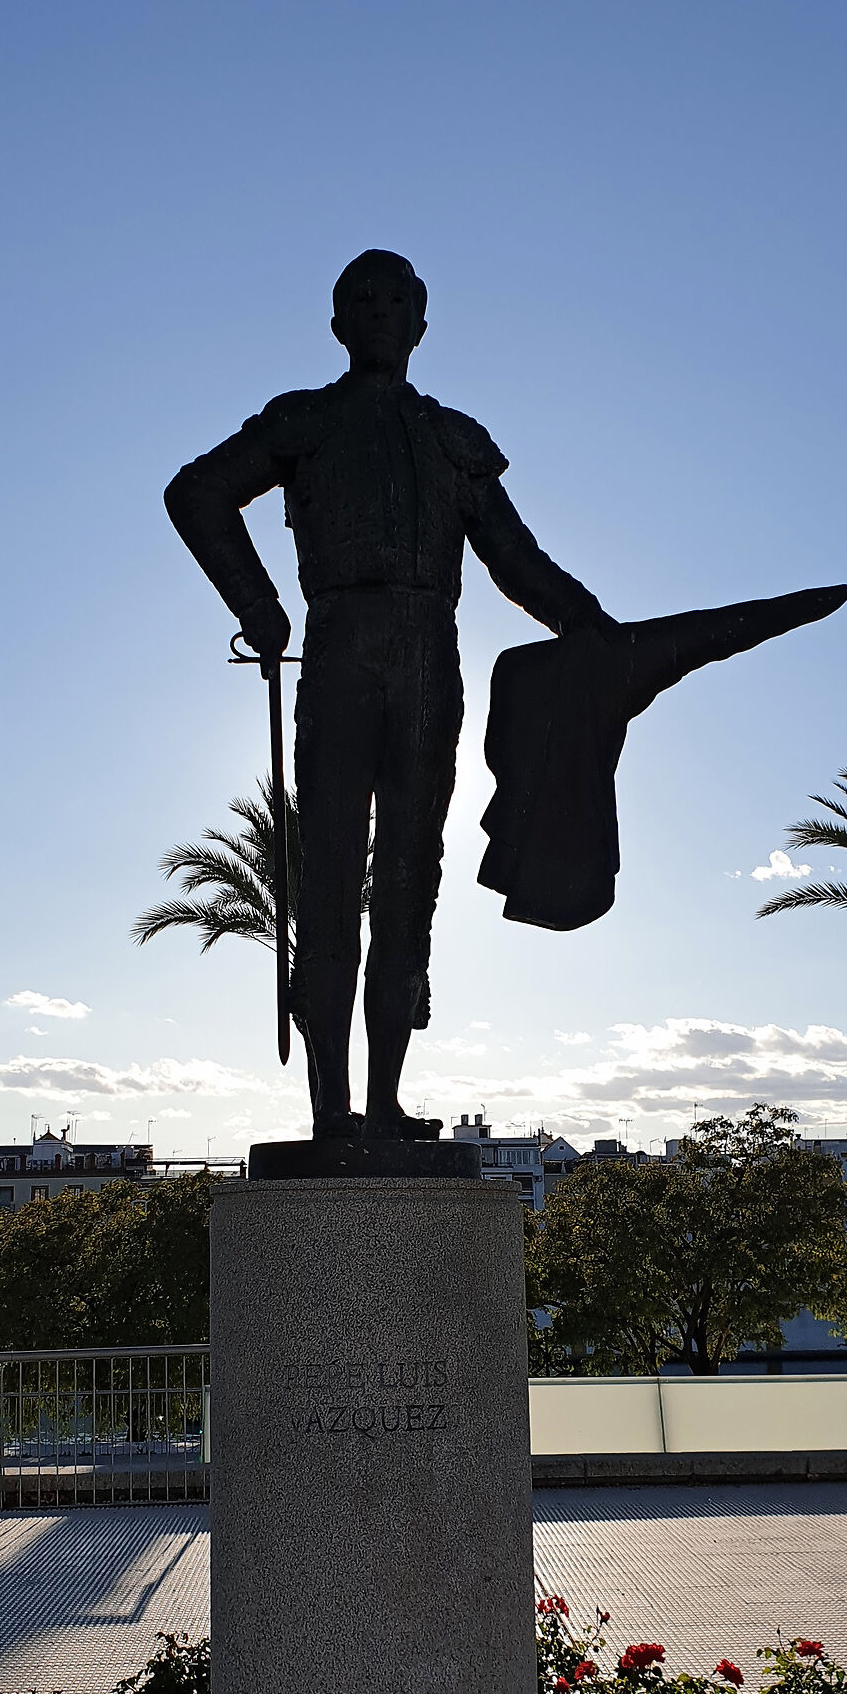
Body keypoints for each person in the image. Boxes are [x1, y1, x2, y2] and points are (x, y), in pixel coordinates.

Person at [165, 249, 617, 1139]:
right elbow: (198, 492)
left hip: (426, 658)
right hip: (339, 649)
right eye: (360, 300)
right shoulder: (305, 422)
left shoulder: (453, 440)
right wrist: (258, 605)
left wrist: (593, 627)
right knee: (330, 871)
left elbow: (517, 562)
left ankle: (384, 1102)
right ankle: (333, 1106)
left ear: (420, 321)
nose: (378, 311)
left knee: (411, 875)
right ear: (338, 324)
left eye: (395, 299)